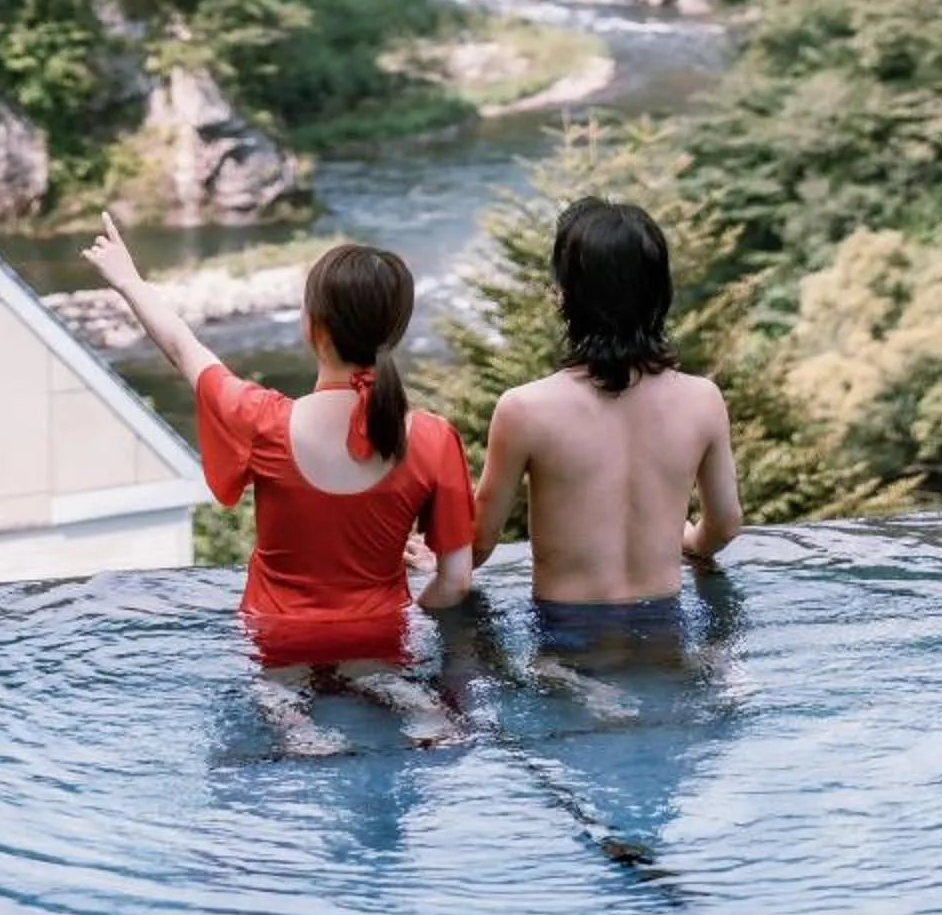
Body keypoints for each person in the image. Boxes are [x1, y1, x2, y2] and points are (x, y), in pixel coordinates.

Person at [83, 214, 476, 676]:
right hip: (380, 637)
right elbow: (455, 583)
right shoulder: (432, 439)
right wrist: (407, 615)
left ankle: (295, 725)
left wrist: (129, 281)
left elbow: (183, 348)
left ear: (313, 327)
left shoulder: (262, 421)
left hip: (277, 640)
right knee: (392, 689)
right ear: (396, 332)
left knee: (283, 706)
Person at [470, 198, 742, 649]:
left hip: (566, 631)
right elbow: (725, 526)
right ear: (660, 293)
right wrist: (691, 540)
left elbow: (480, 542)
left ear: (565, 295)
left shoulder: (524, 408)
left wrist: (431, 558)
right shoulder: (703, 400)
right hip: (664, 625)